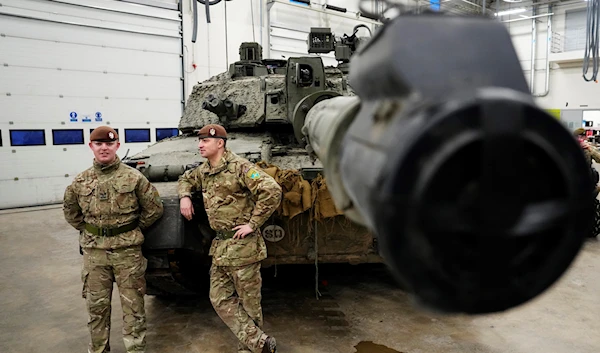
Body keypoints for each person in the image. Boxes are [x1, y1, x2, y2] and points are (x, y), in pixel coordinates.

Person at [177, 124, 282, 353]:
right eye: (199, 141)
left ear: (220, 143)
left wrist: (253, 224)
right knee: (219, 298)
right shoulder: (203, 170)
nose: (200, 145)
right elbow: (185, 178)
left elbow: (272, 190)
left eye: (205, 141)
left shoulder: (241, 168)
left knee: (249, 303)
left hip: (244, 247)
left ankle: (249, 349)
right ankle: (259, 343)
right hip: (221, 247)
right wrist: (185, 196)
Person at [63, 126, 164, 353]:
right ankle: (98, 349)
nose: (104, 148)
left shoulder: (134, 177)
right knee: (96, 308)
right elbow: (71, 212)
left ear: (117, 145)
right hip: (95, 254)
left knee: (133, 308)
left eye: (109, 144)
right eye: (99, 144)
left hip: (127, 253)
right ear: (91, 147)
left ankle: (135, 350)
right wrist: (92, 232)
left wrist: (132, 230)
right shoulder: (80, 181)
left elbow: (154, 208)